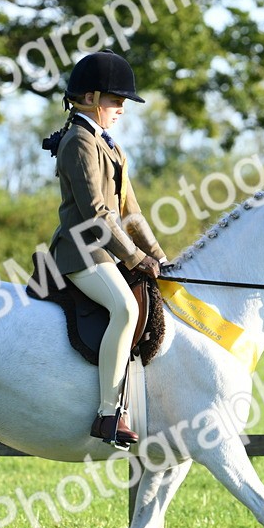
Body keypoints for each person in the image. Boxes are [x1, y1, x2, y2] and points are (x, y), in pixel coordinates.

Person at [43, 50, 168, 447]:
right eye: (116, 101)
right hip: (81, 252)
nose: (122, 109)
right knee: (126, 308)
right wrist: (134, 257)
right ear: (92, 98)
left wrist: (159, 256)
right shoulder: (79, 143)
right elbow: (97, 214)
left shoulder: (108, 144)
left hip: (105, 250)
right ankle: (109, 414)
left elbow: (131, 212)